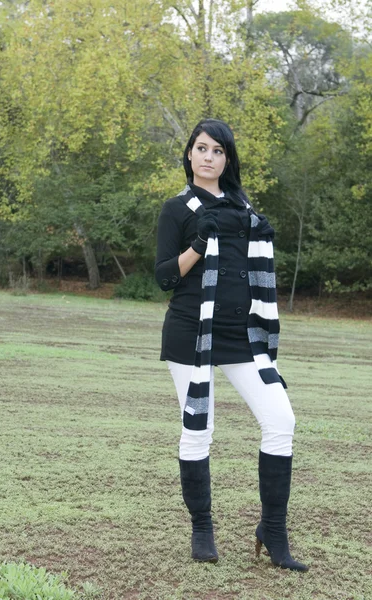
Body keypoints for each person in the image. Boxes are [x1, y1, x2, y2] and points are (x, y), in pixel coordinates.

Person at [155, 118, 308, 572]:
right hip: (191, 331)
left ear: (227, 158)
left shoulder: (245, 209)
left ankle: (273, 531)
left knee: (281, 419)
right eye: (201, 148)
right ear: (188, 154)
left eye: (217, 151)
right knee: (198, 429)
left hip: (244, 335)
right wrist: (200, 241)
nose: (208, 157)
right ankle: (203, 527)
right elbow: (164, 277)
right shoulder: (177, 208)